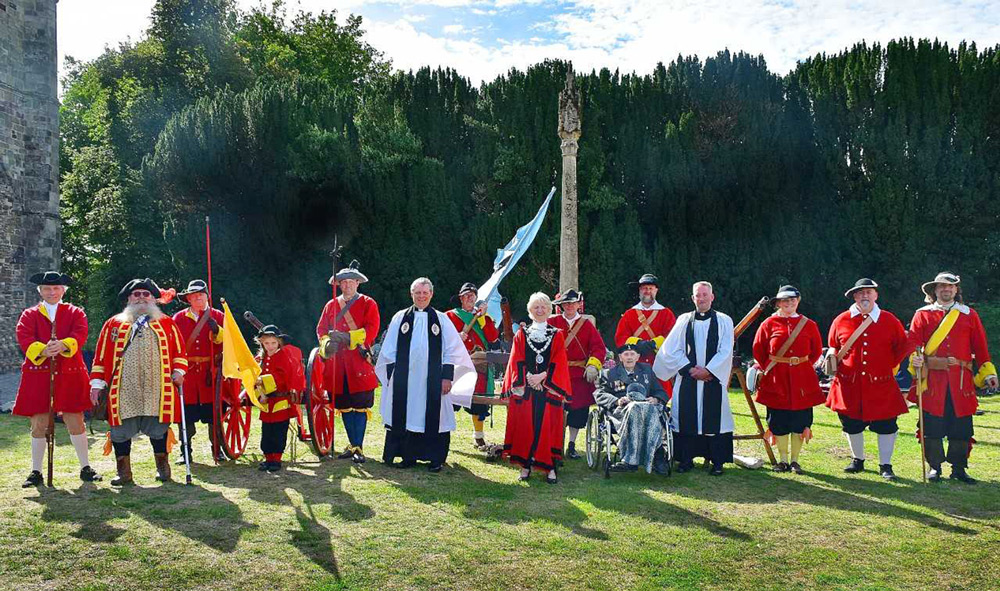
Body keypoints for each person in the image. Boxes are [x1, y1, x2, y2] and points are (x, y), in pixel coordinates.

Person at [90, 279, 188, 486]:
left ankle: (163, 467)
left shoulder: (167, 323)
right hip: (123, 388)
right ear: (129, 298)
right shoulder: (113, 324)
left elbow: (180, 352)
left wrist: (179, 371)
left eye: (146, 294)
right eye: (137, 294)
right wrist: (97, 384)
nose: (141, 297)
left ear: (154, 299)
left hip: (157, 387)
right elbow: (100, 356)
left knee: (158, 428)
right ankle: (124, 472)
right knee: (120, 431)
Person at [376, 278, 477, 472]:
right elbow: (388, 349)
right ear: (411, 294)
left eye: (425, 293)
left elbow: (452, 350)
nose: (421, 296)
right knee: (406, 414)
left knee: (434, 416)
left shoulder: (441, 319)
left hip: (433, 380)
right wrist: (392, 375)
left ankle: (435, 459)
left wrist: (447, 377)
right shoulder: (400, 317)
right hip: (406, 380)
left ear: (431, 294)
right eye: (417, 293)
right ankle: (407, 456)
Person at [907, 272, 997, 484]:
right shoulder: (922, 314)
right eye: (941, 287)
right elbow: (913, 342)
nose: (946, 290)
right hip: (933, 381)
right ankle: (934, 467)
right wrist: (915, 358)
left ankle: (958, 468)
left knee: (962, 427)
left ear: (956, 290)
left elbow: (981, 347)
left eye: (950, 286)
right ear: (934, 291)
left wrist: (989, 372)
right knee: (932, 427)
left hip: (961, 381)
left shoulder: (969, 315)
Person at [14, 271, 101, 486]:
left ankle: (85, 467)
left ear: (63, 290)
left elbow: (80, 334)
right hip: (38, 375)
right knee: (38, 423)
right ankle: (36, 471)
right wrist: (43, 350)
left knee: (75, 420)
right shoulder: (29, 314)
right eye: (47, 289)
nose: (51, 292)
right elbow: (24, 337)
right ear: (41, 291)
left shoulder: (75, 312)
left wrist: (63, 345)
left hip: (69, 374)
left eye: (55, 288)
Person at [825, 278, 910, 480]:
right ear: (854, 296)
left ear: (876, 295)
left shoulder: (889, 320)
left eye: (869, 292)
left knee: (887, 425)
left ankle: (885, 465)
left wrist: (887, 366)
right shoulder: (841, 320)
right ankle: (858, 460)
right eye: (860, 292)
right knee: (851, 423)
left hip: (881, 384)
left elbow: (902, 347)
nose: (865, 296)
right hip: (849, 384)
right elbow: (833, 345)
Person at [653, 281, 735, 476]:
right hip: (688, 378)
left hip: (712, 380)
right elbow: (670, 349)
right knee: (686, 418)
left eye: (705, 295)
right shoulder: (683, 320)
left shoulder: (724, 321)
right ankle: (685, 459)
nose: (702, 298)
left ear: (712, 297)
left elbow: (726, 350)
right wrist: (690, 369)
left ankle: (717, 462)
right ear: (693, 298)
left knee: (714, 419)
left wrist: (709, 371)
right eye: (698, 295)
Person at [751, 285, 824, 474]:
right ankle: (782, 460)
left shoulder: (809, 324)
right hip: (777, 378)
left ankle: (795, 461)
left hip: (802, 378)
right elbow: (759, 349)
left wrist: (799, 364)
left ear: (798, 301)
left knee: (800, 420)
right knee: (778, 419)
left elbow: (816, 351)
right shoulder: (768, 324)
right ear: (778, 303)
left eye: (792, 300)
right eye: (785, 301)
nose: (789, 303)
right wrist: (774, 366)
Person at [500, 292, 572, 484]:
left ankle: (549, 467)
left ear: (550, 310)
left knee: (547, 426)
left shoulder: (556, 335)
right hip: (527, 390)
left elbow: (559, 360)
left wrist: (543, 377)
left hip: (548, 389)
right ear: (530, 311)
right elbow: (515, 359)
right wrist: (529, 378)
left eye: (543, 307)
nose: (540, 311)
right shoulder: (521, 334)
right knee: (526, 426)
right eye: (536, 308)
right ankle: (525, 465)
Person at [316, 260, 380, 464]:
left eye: (351, 282)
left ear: (357, 283)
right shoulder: (331, 305)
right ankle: (353, 445)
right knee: (344, 405)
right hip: (337, 364)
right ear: (339, 285)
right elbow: (321, 330)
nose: (347, 286)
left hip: (358, 361)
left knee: (359, 406)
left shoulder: (368, 303)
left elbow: (372, 329)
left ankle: (358, 446)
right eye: (343, 283)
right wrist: (327, 345)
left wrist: (349, 338)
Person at [594, 342, 670, 474]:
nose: (629, 357)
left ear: (638, 357)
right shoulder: (610, 373)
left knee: (647, 410)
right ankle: (631, 459)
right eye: (626, 354)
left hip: (647, 410)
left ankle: (657, 456)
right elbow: (599, 394)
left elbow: (660, 391)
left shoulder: (647, 370)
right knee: (634, 408)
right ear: (620, 357)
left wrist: (656, 399)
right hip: (622, 411)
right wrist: (616, 401)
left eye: (632, 354)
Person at [171, 279, 225, 464]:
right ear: (189, 299)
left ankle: (217, 450)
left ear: (207, 296)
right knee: (185, 415)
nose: (198, 299)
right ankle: (185, 452)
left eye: (201, 295)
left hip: (210, 373)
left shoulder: (218, 315)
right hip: (187, 373)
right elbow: (173, 345)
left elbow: (228, 343)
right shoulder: (178, 318)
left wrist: (217, 331)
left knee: (214, 415)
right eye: (194, 296)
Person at [548, 289, 605, 459]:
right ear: (561, 305)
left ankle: (571, 445)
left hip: (579, 376)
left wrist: (593, 365)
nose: (569, 306)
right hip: (557, 374)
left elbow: (598, 348)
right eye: (566, 303)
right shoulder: (552, 322)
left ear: (578, 305)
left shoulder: (586, 324)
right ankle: (554, 444)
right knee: (556, 410)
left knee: (578, 412)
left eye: (573, 303)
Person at [446, 282, 501, 449]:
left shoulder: (484, 317)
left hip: (479, 364)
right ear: (461, 298)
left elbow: (492, 338)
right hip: (458, 362)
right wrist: (456, 336)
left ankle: (479, 436)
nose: (470, 298)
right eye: (466, 296)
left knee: (479, 401)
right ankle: (443, 434)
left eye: (473, 296)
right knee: (450, 400)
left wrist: (484, 318)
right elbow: (442, 337)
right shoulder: (450, 315)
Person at [255, 325, 306, 472]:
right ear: (262, 344)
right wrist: (260, 393)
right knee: (267, 431)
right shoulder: (262, 359)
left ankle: (276, 459)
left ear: (279, 343)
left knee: (278, 431)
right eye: (266, 343)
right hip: (267, 402)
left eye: (273, 343)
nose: (270, 346)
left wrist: (264, 381)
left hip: (280, 400)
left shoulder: (284, 356)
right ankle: (268, 458)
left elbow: (284, 377)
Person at [615, 273, 676, 396]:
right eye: (644, 288)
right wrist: (637, 343)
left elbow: (673, 337)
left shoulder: (666, 314)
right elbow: (620, 338)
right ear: (639, 291)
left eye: (650, 288)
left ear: (656, 290)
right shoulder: (629, 314)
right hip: (634, 366)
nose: (647, 291)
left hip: (659, 366)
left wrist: (655, 343)